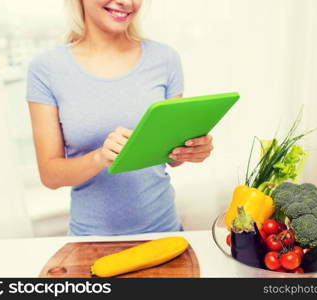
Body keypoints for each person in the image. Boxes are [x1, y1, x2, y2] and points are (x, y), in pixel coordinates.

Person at [26, 0, 214, 236]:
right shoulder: (47, 69)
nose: (127, 2)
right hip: (90, 241)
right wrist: (100, 158)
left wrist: (191, 148)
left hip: (164, 234)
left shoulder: (165, 59)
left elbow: (171, 156)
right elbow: (50, 175)